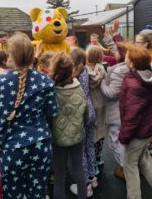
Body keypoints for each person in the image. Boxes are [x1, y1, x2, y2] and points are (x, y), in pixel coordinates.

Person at [0, 33, 58, 199]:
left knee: (13, 195)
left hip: (11, 149)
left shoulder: (1, 82)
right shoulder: (45, 81)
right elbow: (52, 112)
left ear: (11, 56)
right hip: (41, 146)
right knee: (38, 193)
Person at [119, 44, 152, 199]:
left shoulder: (134, 84)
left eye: (127, 56)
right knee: (145, 160)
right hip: (146, 128)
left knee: (129, 166)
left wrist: (124, 136)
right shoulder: (146, 76)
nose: (124, 57)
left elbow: (132, 116)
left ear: (132, 63)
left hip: (136, 133)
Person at [50, 52, 88, 199]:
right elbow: (86, 115)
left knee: (59, 176)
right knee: (79, 171)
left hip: (57, 140)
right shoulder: (79, 90)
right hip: (77, 137)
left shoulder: (50, 92)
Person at [69, 48, 97, 197]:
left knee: (80, 151)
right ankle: (92, 177)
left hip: (80, 114)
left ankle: (84, 184)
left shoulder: (73, 76)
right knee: (89, 145)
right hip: (90, 111)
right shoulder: (86, 71)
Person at [100, 43, 129, 179]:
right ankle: (129, 165)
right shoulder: (129, 67)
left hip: (117, 111)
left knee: (116, 141)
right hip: (127, 109)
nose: (114, 52)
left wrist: (102, 82)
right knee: (125, 140)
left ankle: (124, 168)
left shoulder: (119, 71)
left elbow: (111, 93)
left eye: (117, 51)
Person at [86, 46, 107, 175]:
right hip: (101, 102)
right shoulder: (102, 68)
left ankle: (92, 161)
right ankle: (99, 157)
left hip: (90, 103)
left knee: (91, 134)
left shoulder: (84, 70)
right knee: (101, 132)